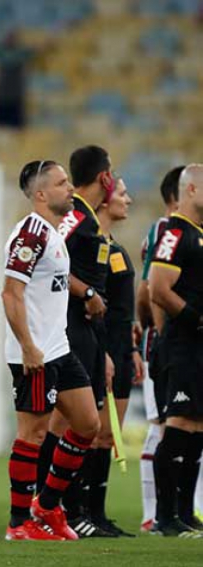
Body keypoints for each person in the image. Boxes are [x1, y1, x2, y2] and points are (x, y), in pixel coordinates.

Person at [2, 160, 100, 541]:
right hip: (35, 353)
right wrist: (28, 347)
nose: (71, 188)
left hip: (59, 348)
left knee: (88, 425)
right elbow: (11, 293)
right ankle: (17, 523)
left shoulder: (53, 233)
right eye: (62, 183)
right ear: (40, 194)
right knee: (32, 435)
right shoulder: (29, 235)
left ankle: (46, 506)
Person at [40, 145, 117, 537]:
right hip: (68, 327)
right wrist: (86, 293)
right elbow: (49, 256)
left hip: (86, 331)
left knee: (77, 422)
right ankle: (51, 506)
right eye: (112, 173)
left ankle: (61, 507)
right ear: (104, 177)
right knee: (64, 421)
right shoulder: (74, 219)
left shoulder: (89, 219)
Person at [149, 164, 203, 538]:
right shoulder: (175, 233)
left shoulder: (198, 235)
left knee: (198, 428)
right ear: (193, 190)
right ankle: (164, 518)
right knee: (180, 425)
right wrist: (196, 318)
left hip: (197, 348)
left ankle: (184, 514)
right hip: (181, 345)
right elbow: (157, 288)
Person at [95, 178, 142, 536]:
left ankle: (97, 512)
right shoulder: (91, 248)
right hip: (103, 351)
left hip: (123, 350)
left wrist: (133, 348)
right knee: (94, 434)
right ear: (105, 200)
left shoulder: (116, 248)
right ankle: (80, 510)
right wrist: (105, 352)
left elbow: (122, 309)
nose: (128, 199)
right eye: (122, 194)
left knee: (109, 436)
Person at [137, 166, 182, 531]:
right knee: (162, 426)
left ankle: (187, 508)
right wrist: (154, 331)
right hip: (166, 344)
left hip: (187, 344)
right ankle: (152, 512)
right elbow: (149, 288)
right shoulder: (164, 231)